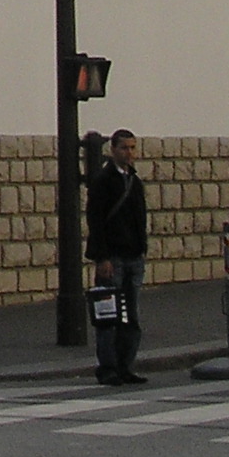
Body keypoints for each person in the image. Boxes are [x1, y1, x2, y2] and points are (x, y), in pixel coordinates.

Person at [87, 127, 149, 386]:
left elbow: (139, 218)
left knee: (130, 317)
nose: (129, 153)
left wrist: (142, 248)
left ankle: (126, 365)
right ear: (112, 150)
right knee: (109, 317)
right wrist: (102, 258)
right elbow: (96, 221)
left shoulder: (134, 181)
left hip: (133, 256)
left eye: (133, 148)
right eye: (124, 148)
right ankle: (108, 367)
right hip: (112, 256)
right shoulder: (103, 181)